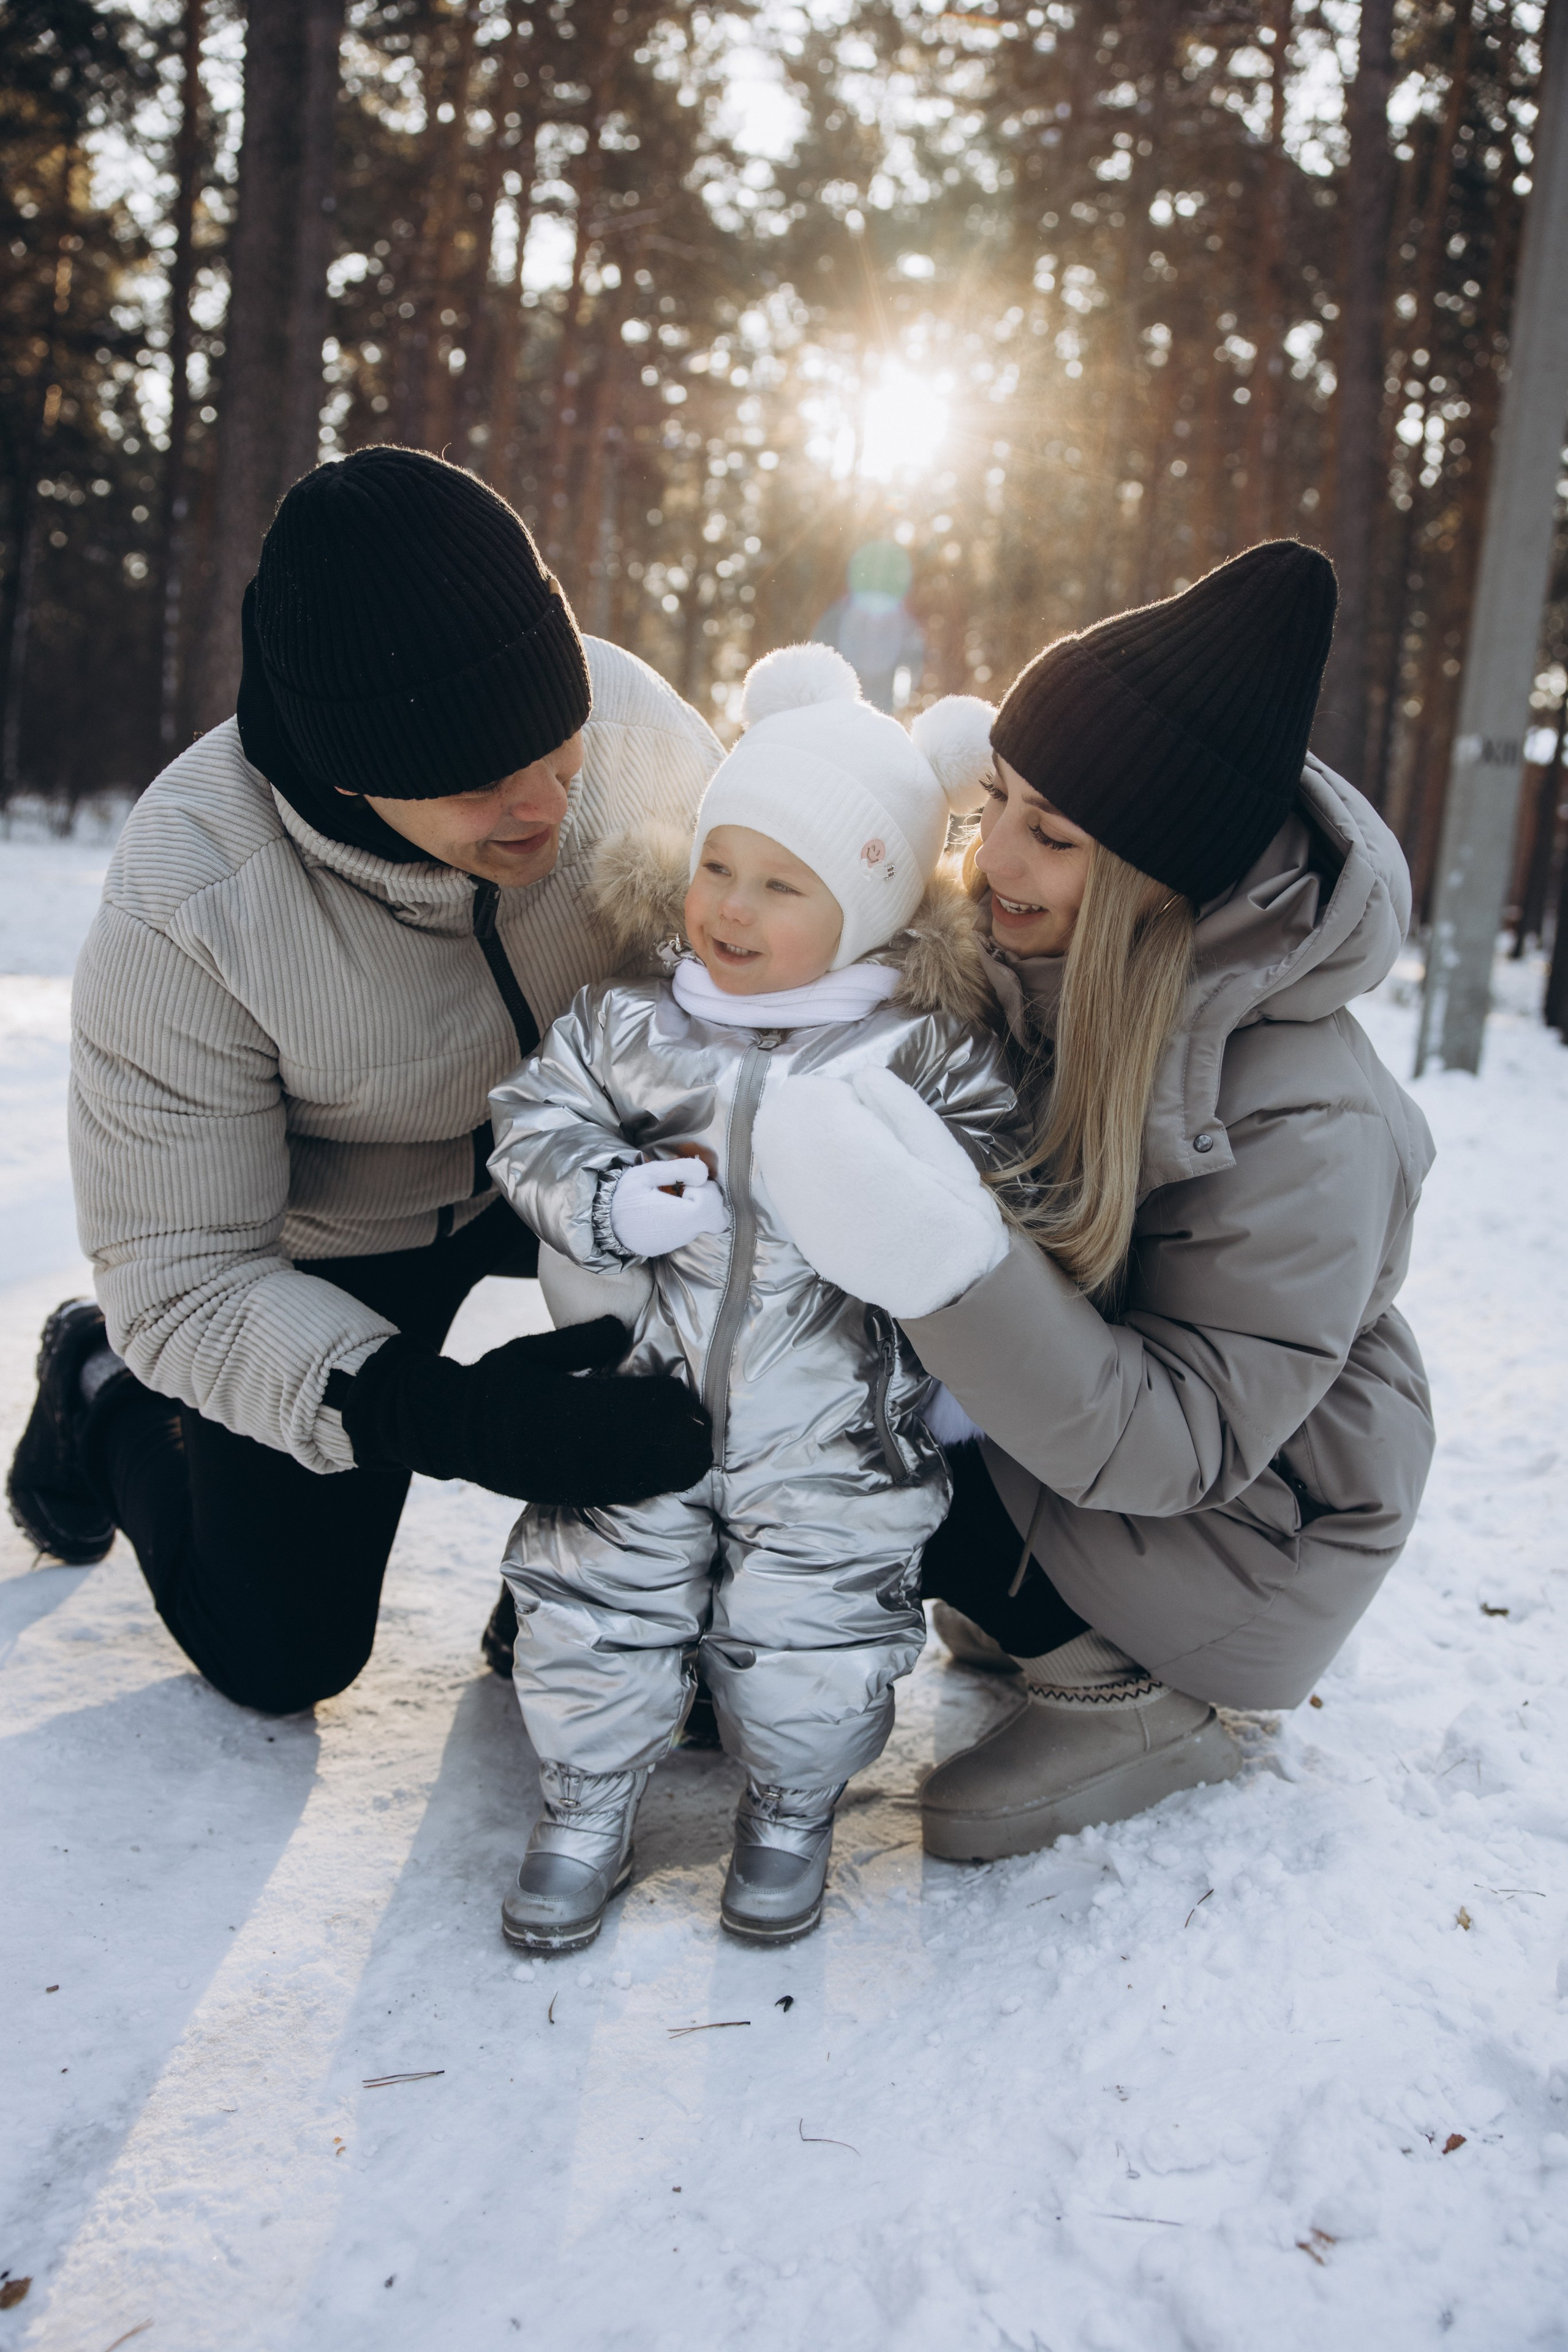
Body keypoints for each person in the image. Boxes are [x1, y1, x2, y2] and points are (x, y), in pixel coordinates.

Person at [7, 446, 717, 1715]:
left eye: (556, 749)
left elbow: (763, 1014)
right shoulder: (191, 899)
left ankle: (577, 1585)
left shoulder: (646, 739)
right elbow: (179, 1276)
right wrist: (435, 1417)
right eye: (476, 782)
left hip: (566, 1167)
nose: (543, 805)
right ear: (346, 773)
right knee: (281, 1654)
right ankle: (97, 1396)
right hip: (335, 1234)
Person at [758, 541, 1436, 1861]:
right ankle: (1018, 1588)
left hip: (1248, 1538)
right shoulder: (1050, 955)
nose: (989, 856)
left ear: (1153, 882)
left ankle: (1133, 1691)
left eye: (1050, 835)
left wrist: (932, 1256)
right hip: (1113, 1461)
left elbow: (1177, 1442)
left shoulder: (1310, 1118)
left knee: (869, 1429)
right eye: (995, 800)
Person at [484, 644, 1020, 1951]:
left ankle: (788, 1804)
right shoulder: (628, 1022)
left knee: (815, 1620)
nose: (730, 906)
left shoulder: (926, 1050)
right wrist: (611, 1198)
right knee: (595, 1588)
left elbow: (995, 1192)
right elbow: (531, 1124)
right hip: (640, 1396)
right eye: (718, 863)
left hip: (833, 1423)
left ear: (873, 904)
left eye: (783, 885)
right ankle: (581, 1800)